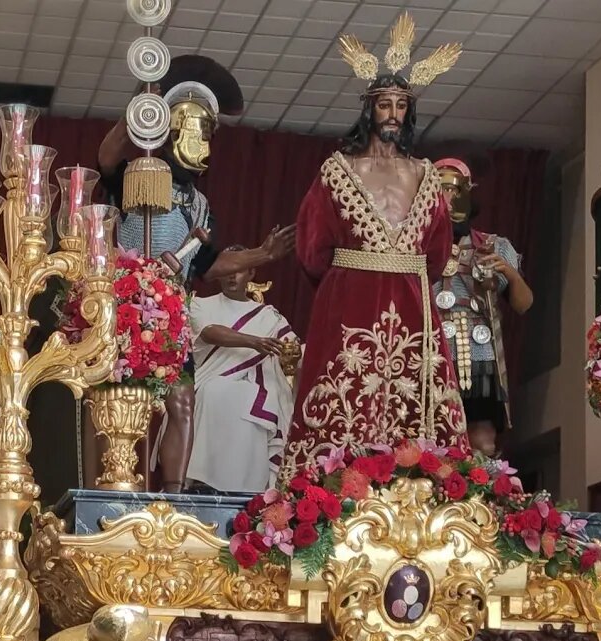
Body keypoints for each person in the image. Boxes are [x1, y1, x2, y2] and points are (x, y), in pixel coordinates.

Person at [281, 14, 470, 477]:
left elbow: (439, 253)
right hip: (350, 301)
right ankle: (330, 488)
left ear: (409, 111)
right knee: (344, 396)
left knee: (411, 400)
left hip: (411, 301)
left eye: (400, 106)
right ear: (369, 109)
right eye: (383, 104)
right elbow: (311, 249)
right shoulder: (337, 171)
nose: (391, 114)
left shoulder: (427, 175)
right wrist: (344, 284)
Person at [95, 55, 291, 491]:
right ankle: (113, 487)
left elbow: (208, 266)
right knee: (121, 405)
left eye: (205, 133)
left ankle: (173, 496)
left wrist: (261, 253)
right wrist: (141, 112)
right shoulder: (134, 172)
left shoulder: (201, 204)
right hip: (126, 306)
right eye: (191, 128)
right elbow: (106, 157)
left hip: (172, 313)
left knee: (183, 400)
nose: (199, 140)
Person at [432, 158, 533, 456]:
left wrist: (510, 273)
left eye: (455, 190)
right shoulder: (415, 247)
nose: (449, 199)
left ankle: (485, 495)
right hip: (432, 349)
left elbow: (524, 304)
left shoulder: (493, 244)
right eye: (442, 191)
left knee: (481, 437)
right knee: (429, 434)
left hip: (478, 349)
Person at [186, 247, 299, 493]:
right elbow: (209, 331)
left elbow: (292, 348)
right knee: (215, 391)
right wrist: (254, 342)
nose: (231, 276)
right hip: (209, 380)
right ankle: (203, 481)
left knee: (253, 397)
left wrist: (299, 354)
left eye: (238, 270)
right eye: (227, 269)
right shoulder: (199, 304)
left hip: (259, 385)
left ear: (251, 273)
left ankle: (250, 489)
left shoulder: (270, 317)